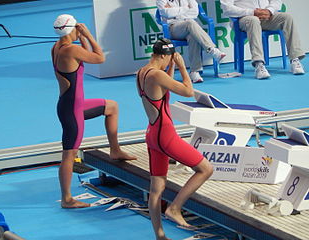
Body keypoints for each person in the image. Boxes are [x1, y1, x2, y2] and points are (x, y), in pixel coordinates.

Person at [52, 14, 136, 208]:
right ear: (70, 29)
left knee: (112, 107)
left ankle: (115, 150)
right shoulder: (71, 50)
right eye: (76, 29)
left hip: (71, 104)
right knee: (69, 154)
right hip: (73, 110)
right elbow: (100, 57)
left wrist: (81, 40)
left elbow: (83, 56)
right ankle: (67, 199)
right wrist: (89, 36)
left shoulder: (57, 48)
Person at [136, 38, 213, 240]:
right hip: (165, 135)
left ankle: (160, 236)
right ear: (163, 55)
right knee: (206, 169)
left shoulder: (142, 73)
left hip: (152, 134)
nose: (170, 62)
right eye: (169, 58)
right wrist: (181, 66)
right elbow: (188, 91)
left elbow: (163, 90)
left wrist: (170, 67)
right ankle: (175, 208)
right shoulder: (157, 74)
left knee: (156, 188)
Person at [220, 0, 306, 79]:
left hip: (266, 16)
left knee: (287, 18)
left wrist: (269, 10)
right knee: (253, 20)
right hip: (244, 18)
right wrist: (252, 12)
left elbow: (276, 1)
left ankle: (295, 60)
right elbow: (227, 8)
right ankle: (259, 64)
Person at [156, 0, 226, 83]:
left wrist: (175, 12)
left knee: (193, 36)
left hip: (189, 28)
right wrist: (186, 8)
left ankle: (194, 72)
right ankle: (212, 50)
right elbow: (166, 13)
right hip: (173, 28)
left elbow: (195, 12)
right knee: (190, 23)